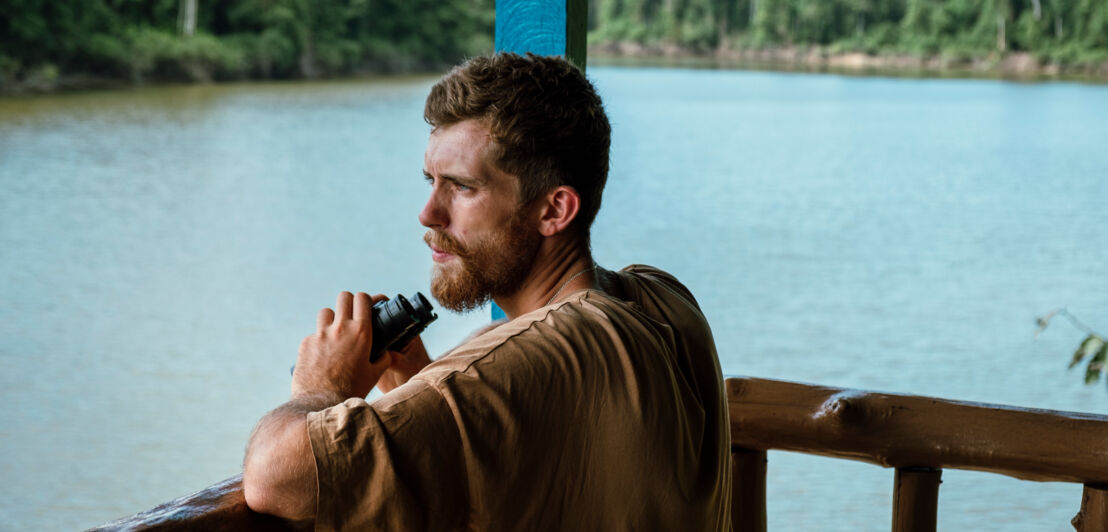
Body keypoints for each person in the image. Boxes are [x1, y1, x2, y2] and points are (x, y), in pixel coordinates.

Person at [242, 52, 732, 531]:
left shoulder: (518, 363)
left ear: (554, 211)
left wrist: (320, 386)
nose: (428, 213)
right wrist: (416, 379)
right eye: (431, 181)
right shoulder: (665, 298)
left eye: (462, 187)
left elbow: (275, 477)